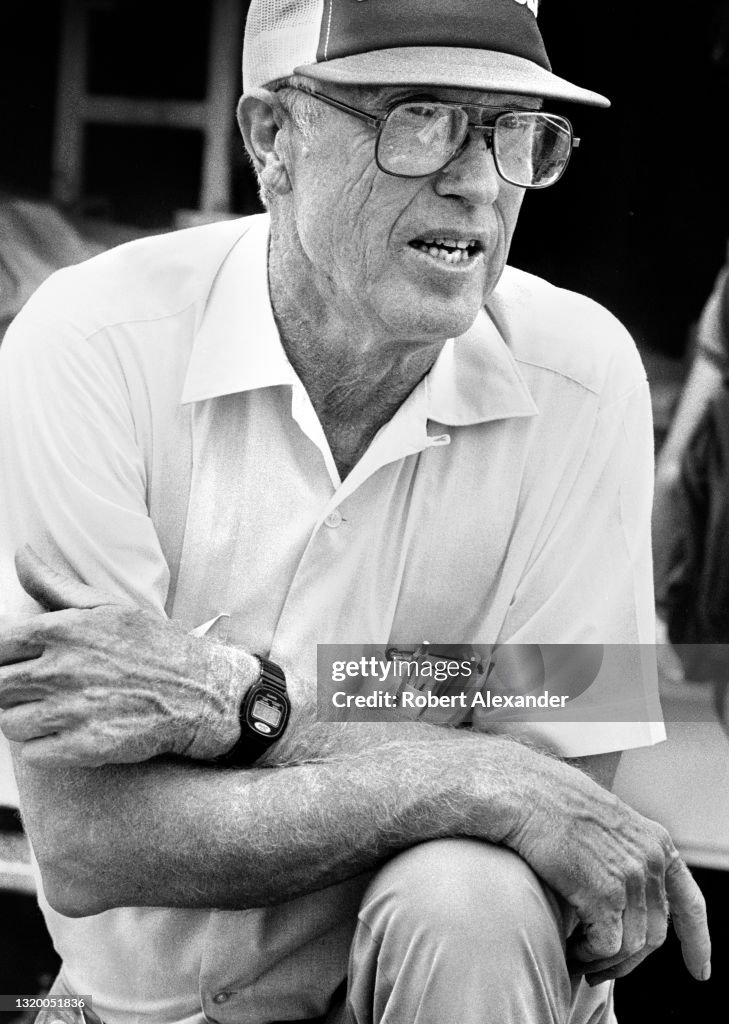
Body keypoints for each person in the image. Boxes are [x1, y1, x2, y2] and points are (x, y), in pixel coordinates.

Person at [0, 2, 711, 1023]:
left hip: (448, 987)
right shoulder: (90, 344)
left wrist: (231, 697)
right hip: (139, 1009)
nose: (475, 179)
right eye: (419, 118)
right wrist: (462, 756)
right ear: (272, 136)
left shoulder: (586, 376)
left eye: (513, 130)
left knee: (474, 895)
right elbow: (89, 840)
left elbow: (561, 800)